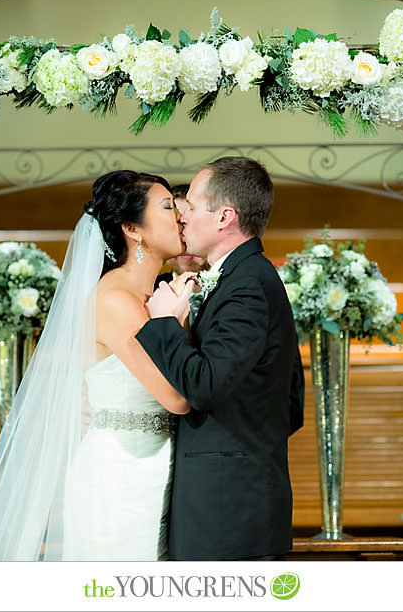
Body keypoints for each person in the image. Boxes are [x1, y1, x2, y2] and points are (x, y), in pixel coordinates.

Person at [0, 170, 195, 561]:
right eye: (168, 207)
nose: (181, 216)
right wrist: (171, 323)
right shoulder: (115, 298)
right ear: (133, 228)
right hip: (122, 476)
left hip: (158, 466)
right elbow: (177, 398)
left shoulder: (158, 291)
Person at [136, 156, 305, 561]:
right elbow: (292, 403)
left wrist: (164, 325)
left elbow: (204, 385)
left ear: (224, 217)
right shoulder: (242, 277)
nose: (182, 218)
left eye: (190, 208)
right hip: (234, 500)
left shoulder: (246, 284)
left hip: (229, 508)